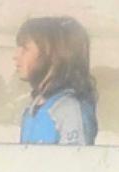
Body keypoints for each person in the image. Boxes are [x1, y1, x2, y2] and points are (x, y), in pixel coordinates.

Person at [14, 16, 98, 145]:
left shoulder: (69, 110)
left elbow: (77, 160)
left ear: (53, 55)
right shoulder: (33, 107)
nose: (15, 56)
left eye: (25, 48)